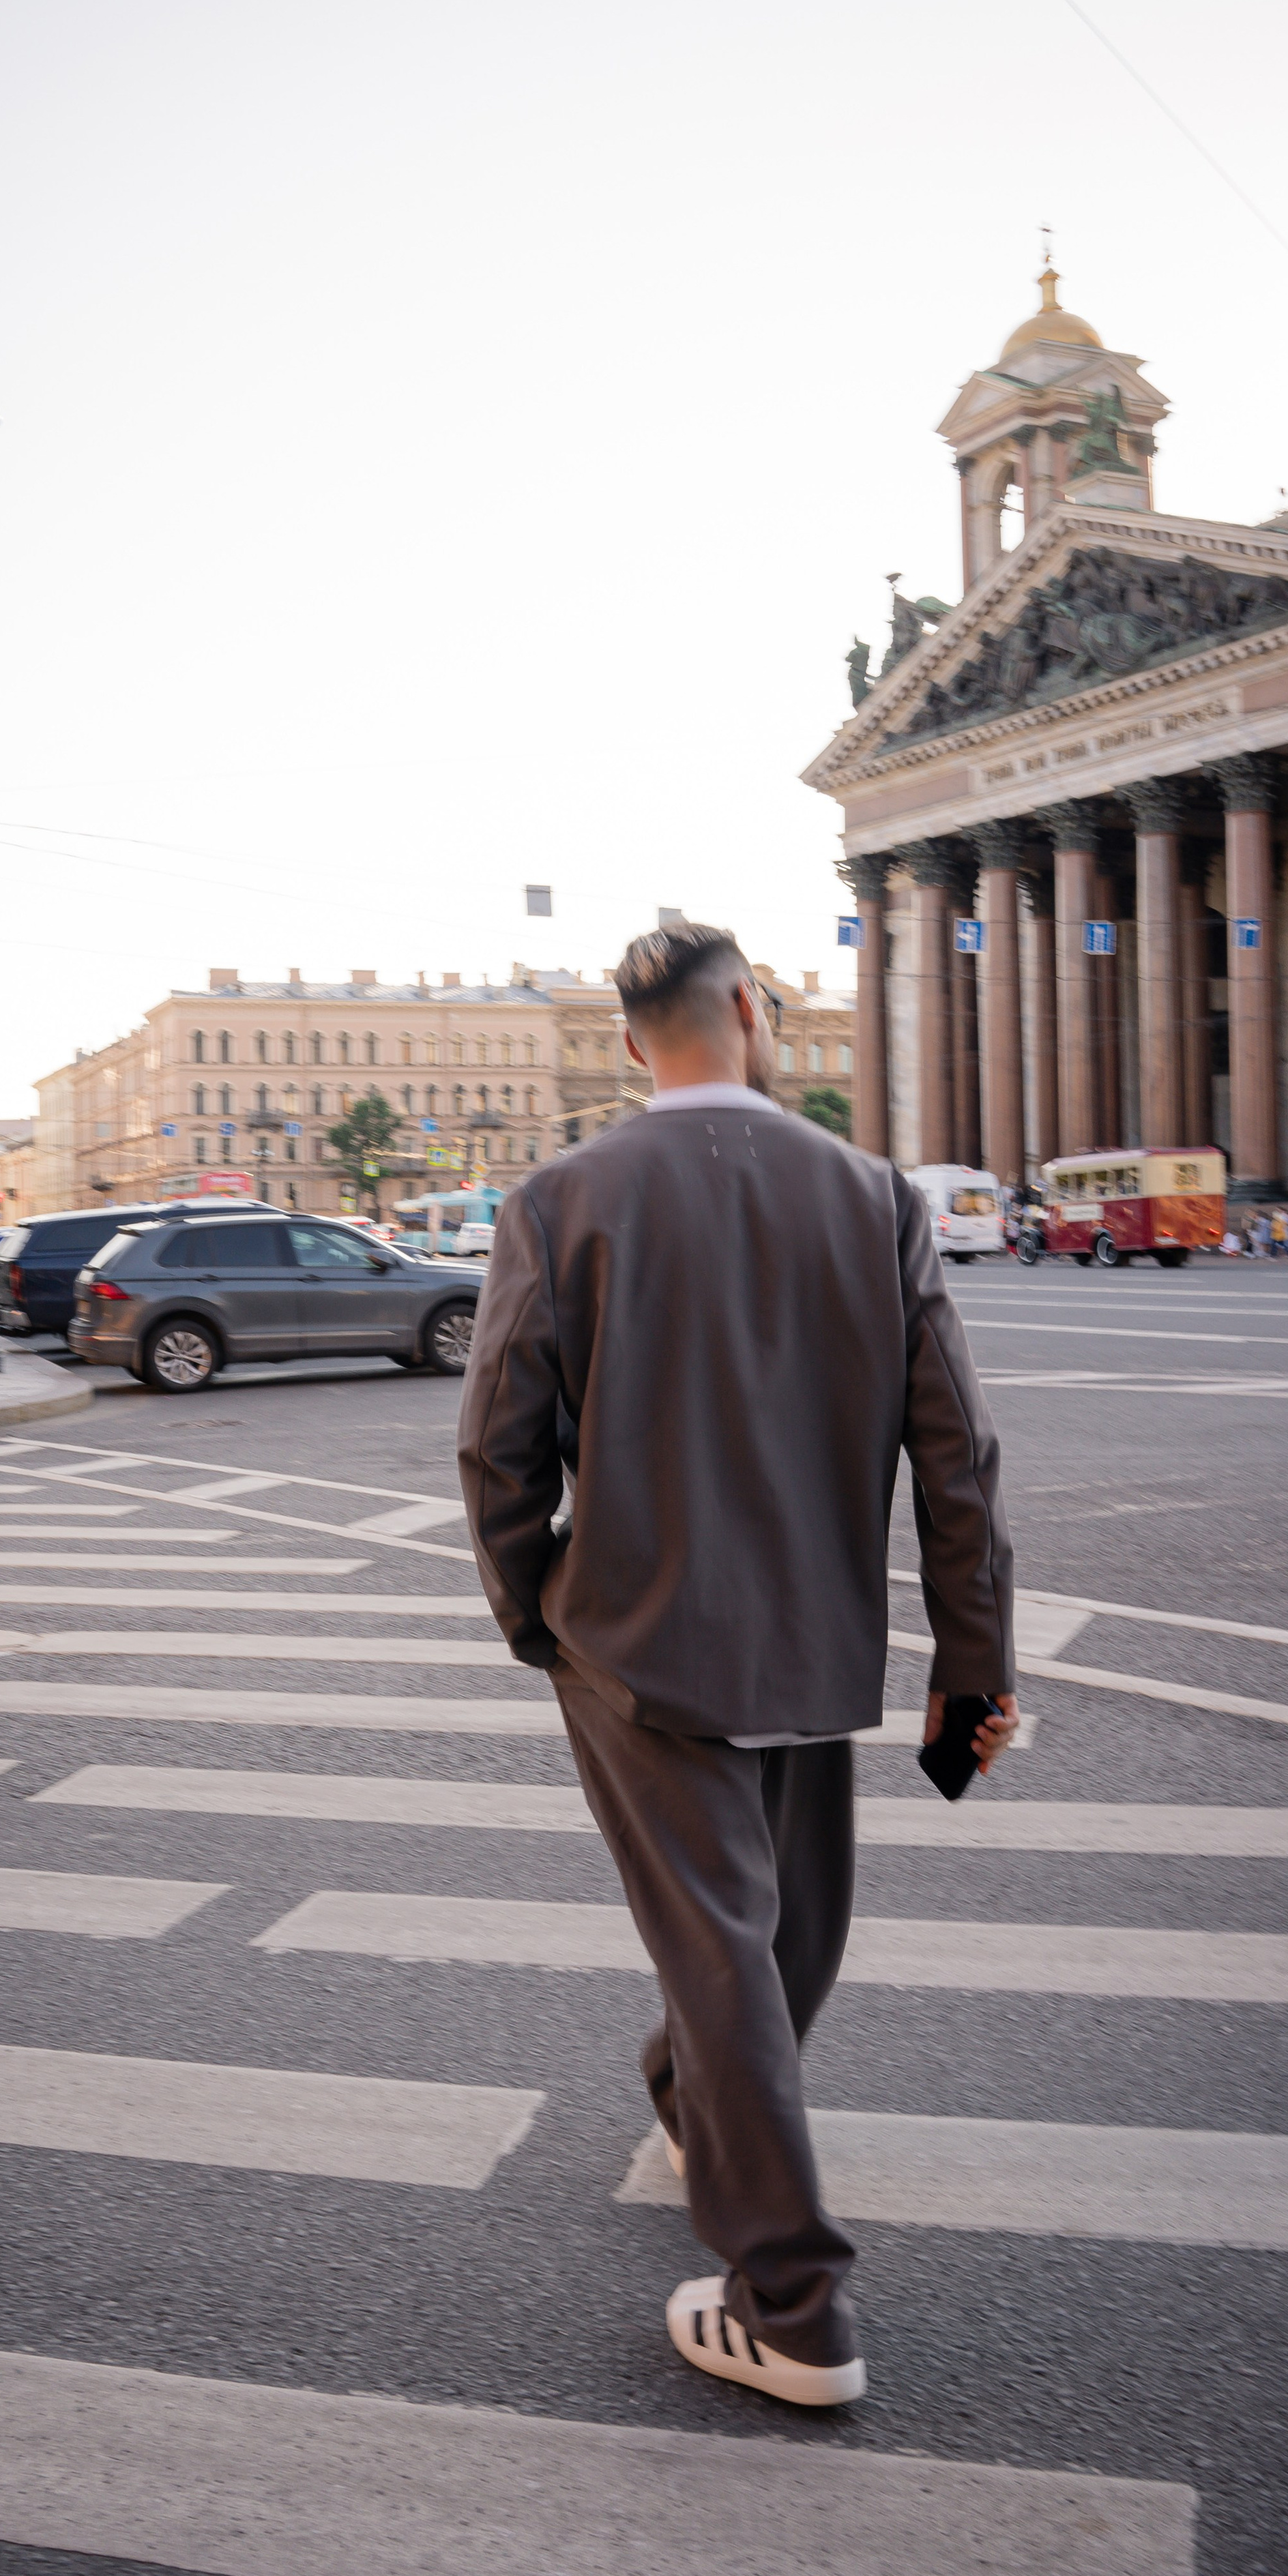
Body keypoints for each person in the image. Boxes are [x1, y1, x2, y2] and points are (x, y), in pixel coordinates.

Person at [458, 921, 1017, 2412]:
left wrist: (528, 1608)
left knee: (727, 1945)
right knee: (780, 1933)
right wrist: (971, 1665)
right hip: (812, 1628)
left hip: (635, 1634)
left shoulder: (561, 1197)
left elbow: (496, 1436)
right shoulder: (871, 1196)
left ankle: (792, 2308)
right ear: (752, 1017)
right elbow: (953, 1448)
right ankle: (697, 2105)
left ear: (635, 1045)